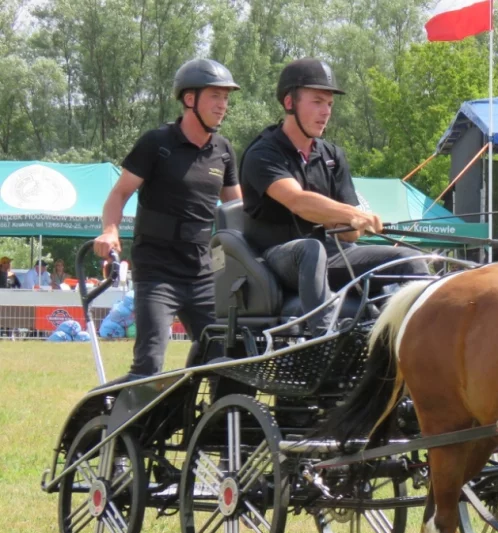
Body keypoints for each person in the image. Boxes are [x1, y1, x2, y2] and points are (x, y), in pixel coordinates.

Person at [240, 57, 429, 333]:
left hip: (329, 256)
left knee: (410, 260)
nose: (326, 112)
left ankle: (407, 339)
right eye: (317, 102)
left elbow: (347, 237)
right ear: (289, 103)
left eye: (329, 104)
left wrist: (352, 225)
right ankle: (323, 337)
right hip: (275, 258)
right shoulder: (264, 153)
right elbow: (298, 201)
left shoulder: (332, 156)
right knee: (310, 249)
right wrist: (351, 214)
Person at [93, 58, 241, 381]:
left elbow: (238, 211)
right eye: (215, 96)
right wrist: (110, 230)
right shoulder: (156, 144)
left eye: (226, 98)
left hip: (203, 273)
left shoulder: (224, 152)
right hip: (157, 273)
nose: (223, 105)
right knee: (149, 364)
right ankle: (123, 430)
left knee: (227, 362)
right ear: (190, 99)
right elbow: (119, 195)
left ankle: (209, 429)